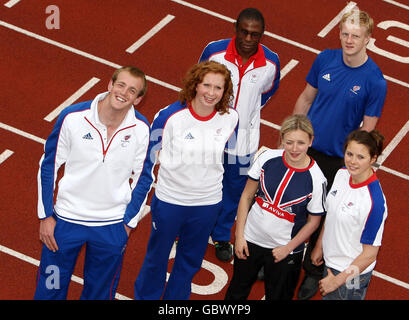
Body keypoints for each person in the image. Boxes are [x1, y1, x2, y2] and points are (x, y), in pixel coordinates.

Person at [34, 66, 153, 300]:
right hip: (65, 221)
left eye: (132, 91)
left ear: (138, 99)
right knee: (51, 287)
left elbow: (145, 177)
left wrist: (127, 223)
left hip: (111, 226)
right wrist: (46, 216)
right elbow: (48, 166)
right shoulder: (72, 117)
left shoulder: (142, 129)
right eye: (120, 85)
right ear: (110, 85)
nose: (123, 93)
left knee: (99, 293)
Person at [293, 8, 387, 299]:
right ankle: (288, 258)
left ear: (368, 39)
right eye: (345, 34)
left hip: (338, 160)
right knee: (296, 209)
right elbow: (306, 98)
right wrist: (295, 136)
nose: (349, 40)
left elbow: (367, 134)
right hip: (308, 151)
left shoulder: (375, 81)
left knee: (325, 216)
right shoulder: (325, 59)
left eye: (356, 36)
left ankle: (312, 270)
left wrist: (357, 164)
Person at [134, 61, 239, 300]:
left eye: (218, 88)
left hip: (207, 203)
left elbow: (230, 158)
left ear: (225, 91)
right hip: (171, 200)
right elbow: (149, 160)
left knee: (190, 260)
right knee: (157, 258)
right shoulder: (169, 116)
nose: (211, 93)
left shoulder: (231, 118)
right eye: (206, 85)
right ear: (195, 85)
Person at [199, 7, 280, 262]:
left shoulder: (271, 63)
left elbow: (266, 92)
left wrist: (245, 114)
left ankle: (221, 235)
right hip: (210, 137)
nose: (247, 38)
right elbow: (197, 83)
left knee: (233, 190)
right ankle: (194, 228)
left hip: (243, 142)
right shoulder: (215, 52)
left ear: (262, 35)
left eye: (254, 34)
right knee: (201, 182)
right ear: (235, 28)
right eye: (243, 32)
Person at [224, 115, 326, 300]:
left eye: (301, 143)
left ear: (311, 141)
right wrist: (239, 236)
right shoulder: (267, 158)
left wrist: (288, 248)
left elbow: (313, 222)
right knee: (236, 292)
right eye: (289, 142)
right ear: (282, 139)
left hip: (284, 251)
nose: (294, 149)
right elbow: (246, 196)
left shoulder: (317, 180)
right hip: (250, 241)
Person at [311, 129, 387, 300]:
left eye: (361, 157)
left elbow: (369, 255)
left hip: (350, 274)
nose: (353, 161)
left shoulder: (374, 202)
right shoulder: (342, 174)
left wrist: (337, 281)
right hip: (331, 264)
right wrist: (319, 246)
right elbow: (332, 214)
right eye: (349, 154)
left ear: (373, 159)